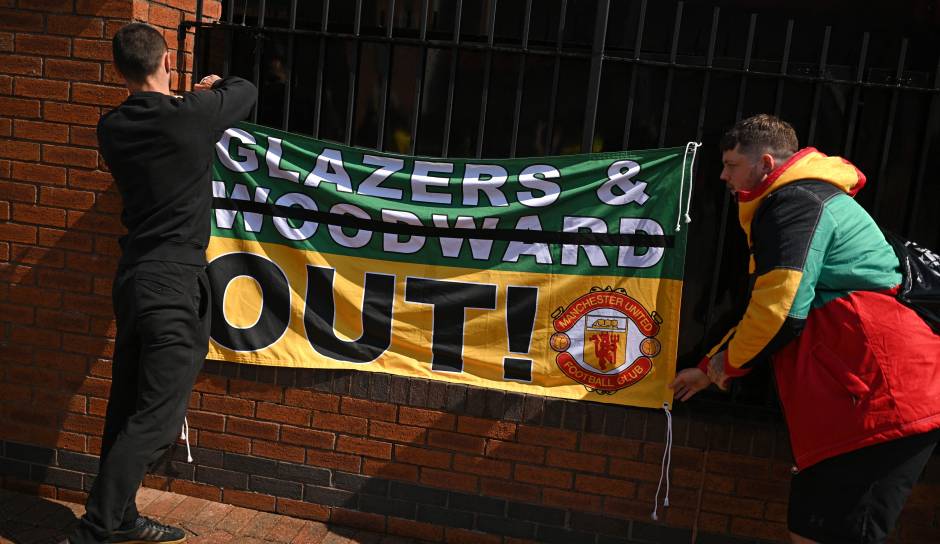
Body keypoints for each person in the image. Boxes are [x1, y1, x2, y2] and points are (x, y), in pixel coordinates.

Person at [670, 114, 940, 544]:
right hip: (862, 401)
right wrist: (709, 367)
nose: (722, 174)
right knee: (810, 530)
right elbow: (767, 304)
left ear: (764, 162)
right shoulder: (797, 199)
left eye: (731, 164)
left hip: (879, 403)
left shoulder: (795, 204)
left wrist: (724, 365)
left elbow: (781, 310)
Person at [66, 23, 256, 544]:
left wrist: (191, 100)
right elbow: (245, 90)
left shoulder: (112, 127)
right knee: (157, 417)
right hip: (173, 284)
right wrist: (205, 92)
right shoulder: (190, 117)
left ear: (119, 70)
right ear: (167, 60)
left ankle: (121, 517)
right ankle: (99, 525)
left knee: (127, 406)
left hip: (133, 280)